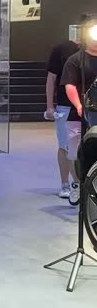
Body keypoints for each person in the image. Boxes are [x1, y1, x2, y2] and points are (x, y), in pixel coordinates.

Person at [61, 31, 97, 201]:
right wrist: (78, 105)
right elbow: (70, 85)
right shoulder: (75, 60)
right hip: (79, 114)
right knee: (75, 151)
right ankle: (76, 183)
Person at [46, 33, 80, 198]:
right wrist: (50, 106)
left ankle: (82, 184)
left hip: (89, 106)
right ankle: (67, 184)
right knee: (66, 146)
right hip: (66, 106)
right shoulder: (62, 50)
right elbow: (51, 79)